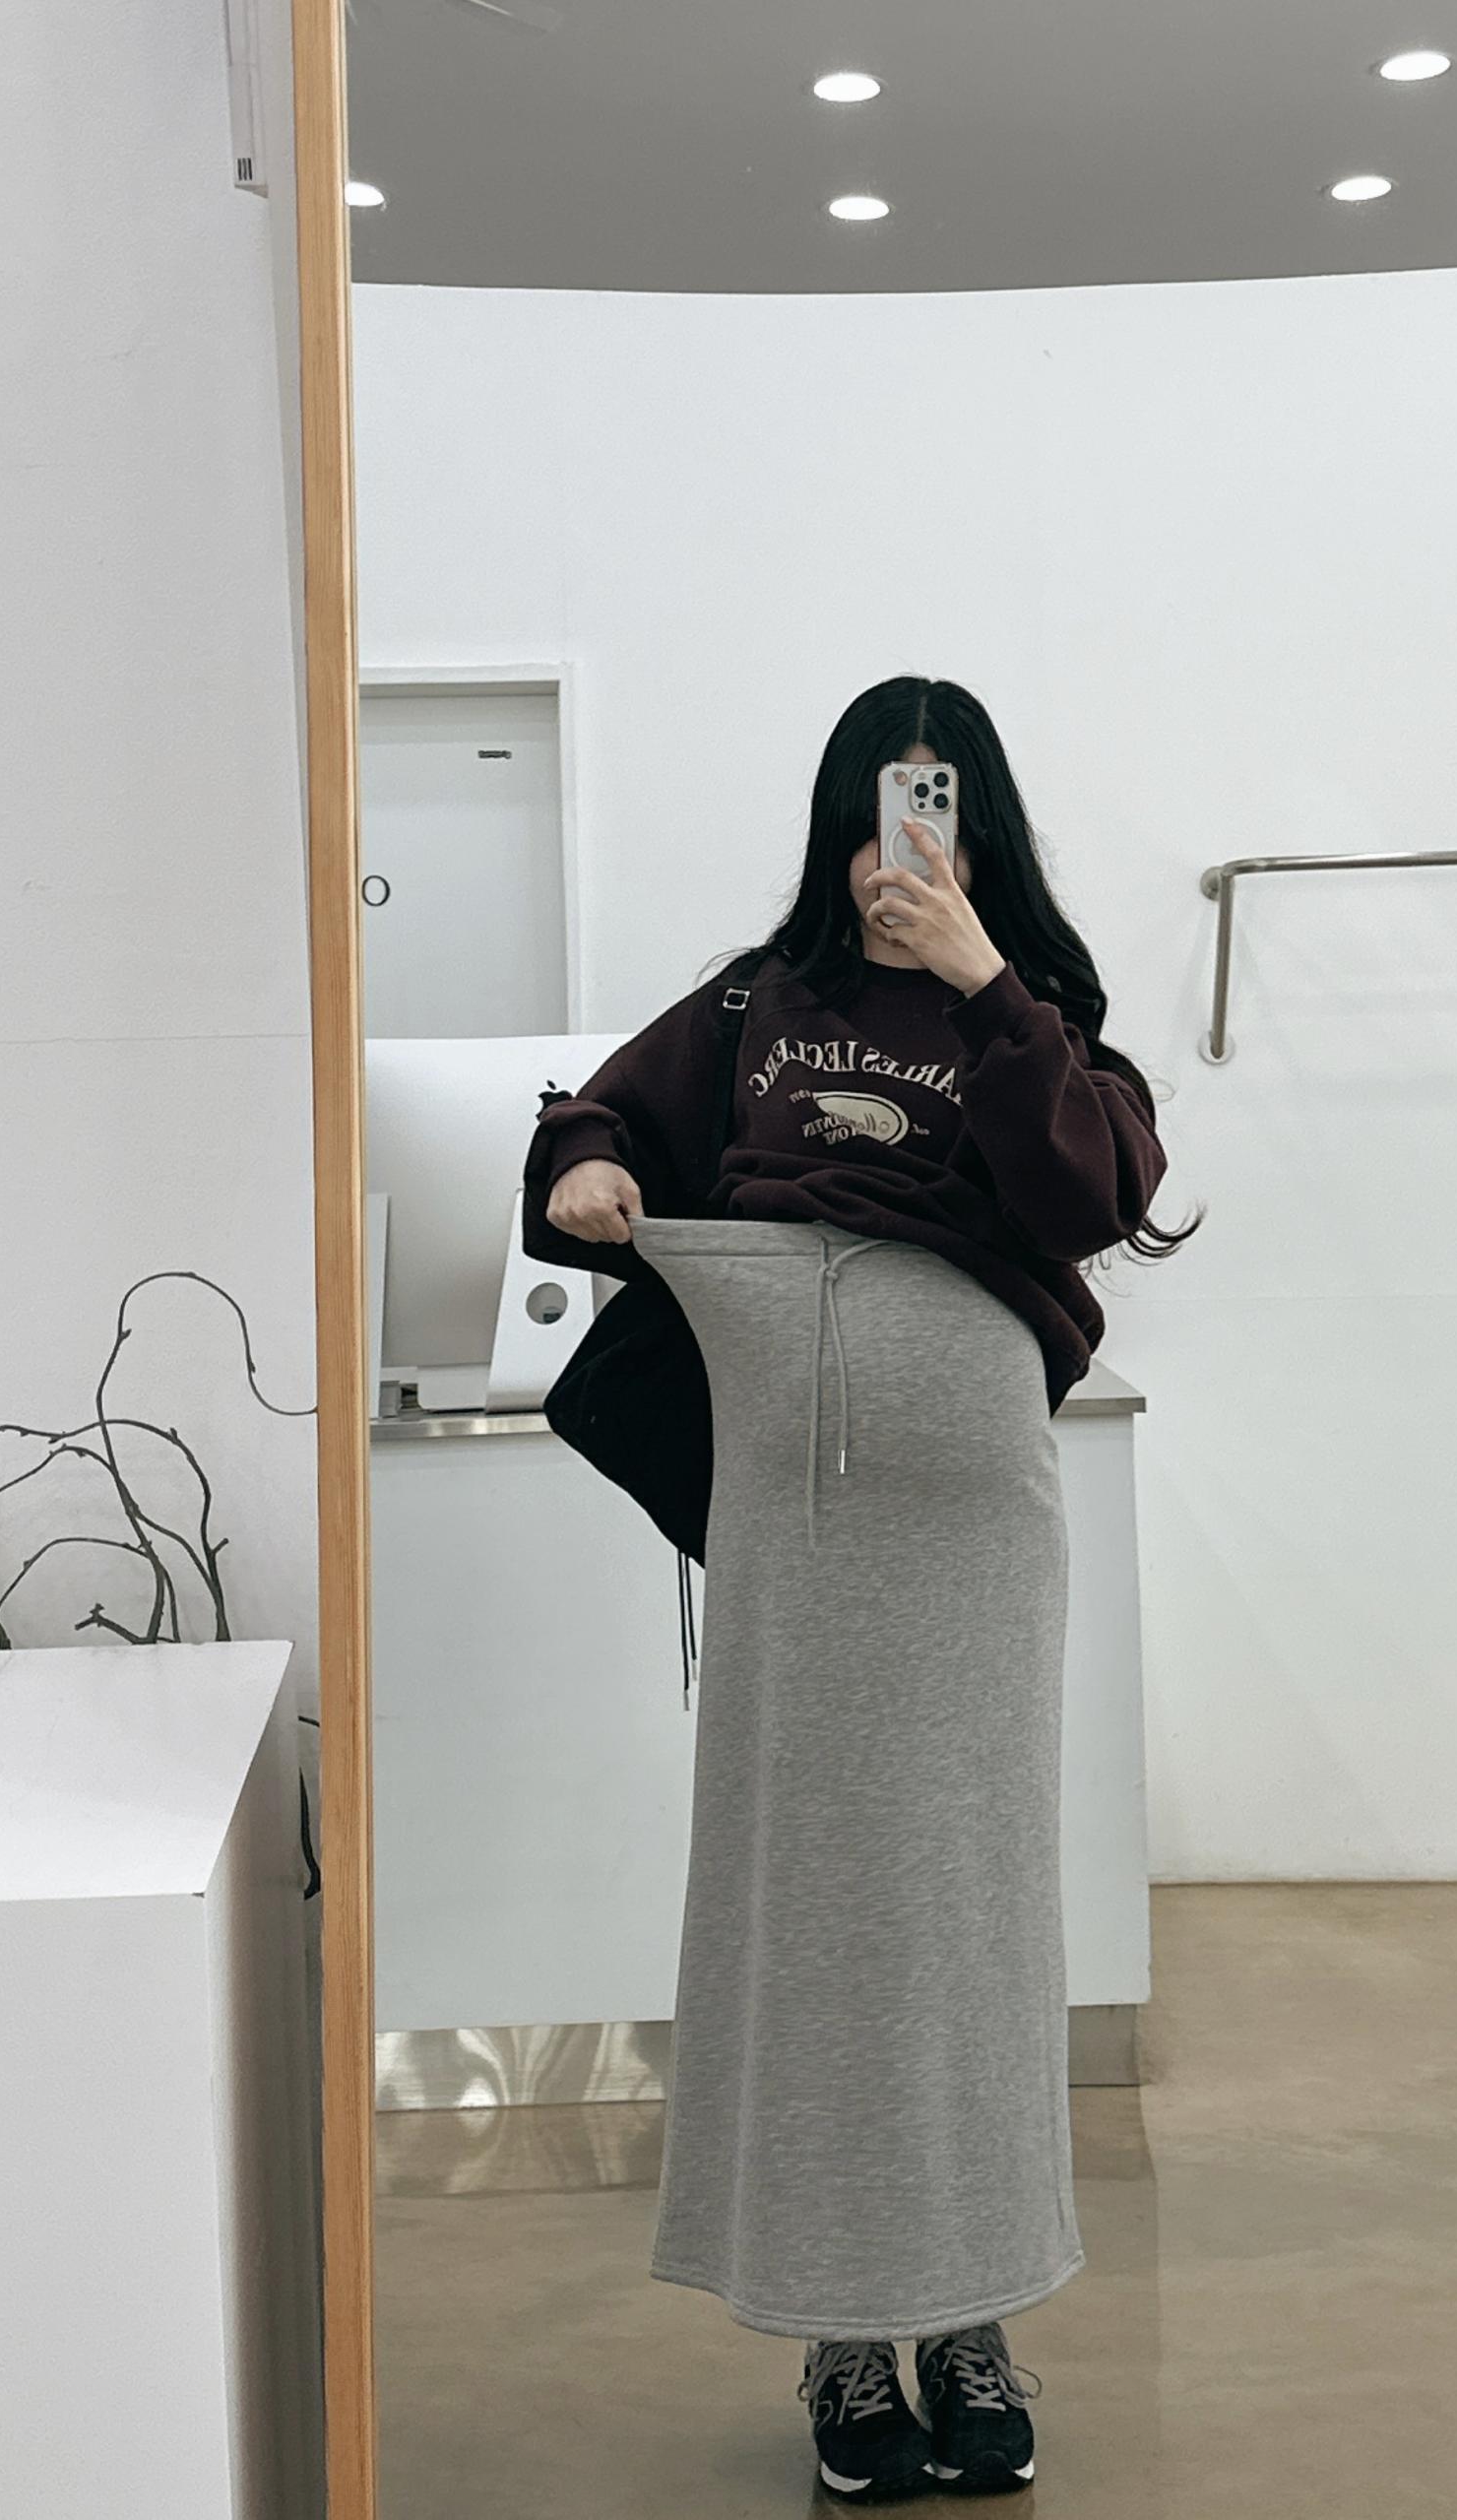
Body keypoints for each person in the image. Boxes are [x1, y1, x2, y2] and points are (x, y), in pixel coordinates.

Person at [519, 677, 1193, 2502]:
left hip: (973, 1528)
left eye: (942, 805)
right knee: (805, 1905)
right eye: (889, 804)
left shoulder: (1041, 1016)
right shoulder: (756, 1008)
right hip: (791, 1530)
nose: (912, 841)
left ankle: (968, 2314)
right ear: (842, 821)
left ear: (981, 830)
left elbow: (1093, 1192)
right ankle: (839, 2330)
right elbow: (590, 1116)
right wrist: (591, 1166)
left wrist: (984, 980)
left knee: (972, 1903)